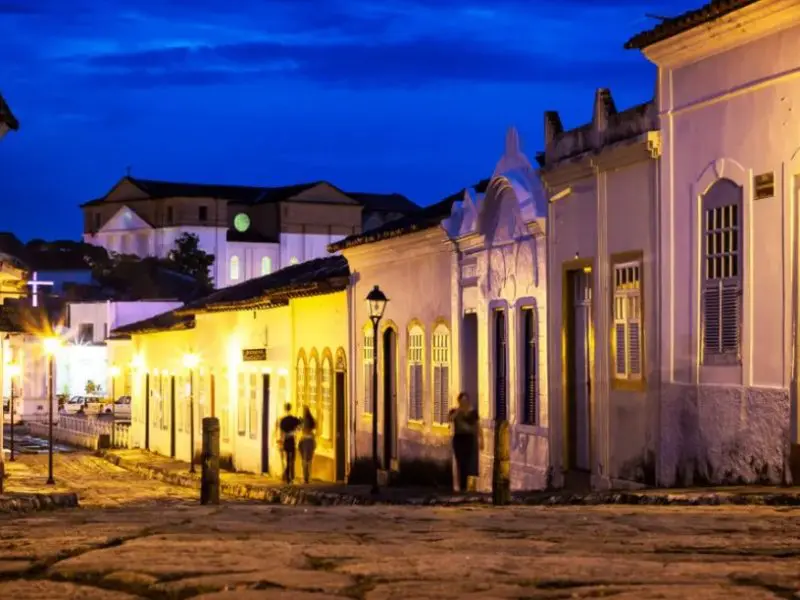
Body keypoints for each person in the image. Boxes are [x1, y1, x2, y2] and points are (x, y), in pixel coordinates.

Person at [449, 392, 482, 493]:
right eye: (462, 400)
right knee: (461, 463)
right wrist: (459, 411)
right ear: (459, 401)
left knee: (471, 462)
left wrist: (481, 439)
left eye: (465, 400)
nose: (464, 402)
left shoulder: (473, 412)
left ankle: (470, 487)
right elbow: (450, 419)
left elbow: (478, 426)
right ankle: (461, 486)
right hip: (459, 439)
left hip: (470, 439)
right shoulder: (454, 411)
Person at [278, 403, 301, 484]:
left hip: (286, 441)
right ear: (290, 408)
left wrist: (281, 441)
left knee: (287, 459)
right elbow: (300, 426)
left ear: (285, 409)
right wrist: (294, 431)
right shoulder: (293, 419)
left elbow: (281, 432)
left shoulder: (283, 420)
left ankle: (287, 477)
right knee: (292, 459)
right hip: (291, 440)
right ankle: (292, 476)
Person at [298, 406, 317, 484]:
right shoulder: (312, 420)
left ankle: (305, 477)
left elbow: (299, 429)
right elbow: (315, 427)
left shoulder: (304, 421)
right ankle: (308, 477)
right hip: (311, 440)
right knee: (309, 460)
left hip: (305, 441)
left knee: (304, 460)